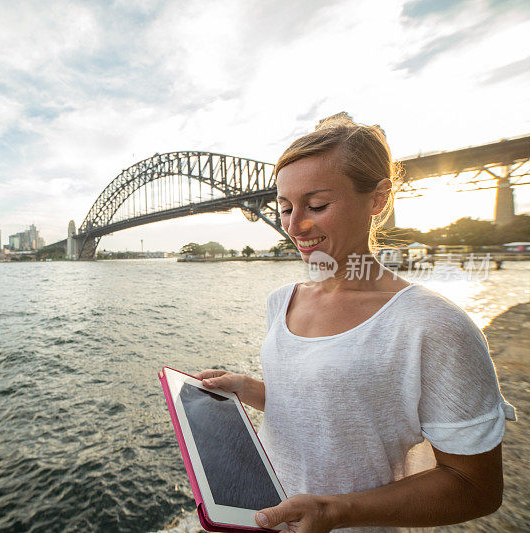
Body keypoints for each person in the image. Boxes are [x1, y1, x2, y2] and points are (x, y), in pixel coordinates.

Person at [195, 116, 516, 533]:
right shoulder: (282, 301)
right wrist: (248, 388)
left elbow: (475, 488)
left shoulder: (432, 324)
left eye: (317, 206)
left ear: (378, 198)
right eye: (286, 208)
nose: (294, 226)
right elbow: (328, 408)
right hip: (263, 518)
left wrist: (333, 513)